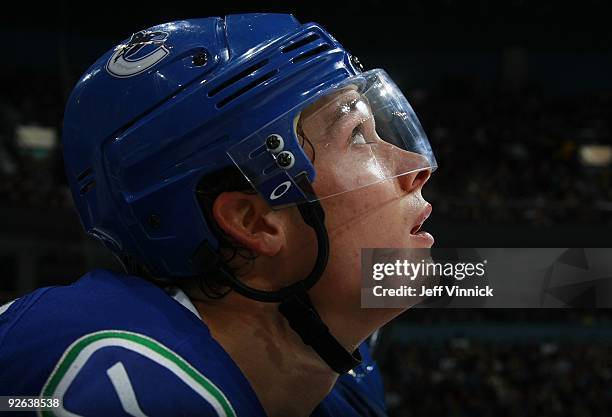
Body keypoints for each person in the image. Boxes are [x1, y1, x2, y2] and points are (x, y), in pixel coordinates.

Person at [0, 13, 435, 417]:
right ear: (253, 221)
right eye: (358, 136)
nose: (414, 167)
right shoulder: (130, 382)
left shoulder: (335, 383)